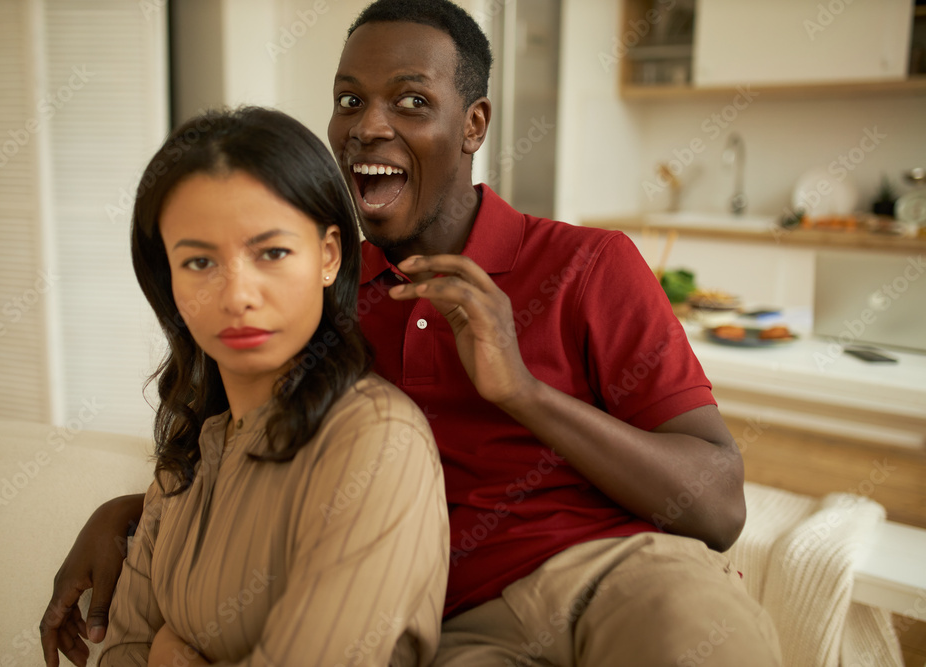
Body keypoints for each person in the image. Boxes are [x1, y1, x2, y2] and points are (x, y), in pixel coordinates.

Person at [43, 2, 781, 665]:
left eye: (412, 101)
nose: (368, 125)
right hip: (456, 626)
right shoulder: (316, 294)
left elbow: (718, 506)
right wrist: (127, 514)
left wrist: (523, 391)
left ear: (473, 125)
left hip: (624, 576)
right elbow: (243, 460)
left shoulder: (587, 264)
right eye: (349, 100)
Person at [44, 106, 449, 667]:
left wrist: (169, 653)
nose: (237, 295)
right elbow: (123, 653)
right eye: (199, 261)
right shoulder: (186, 457)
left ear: (329, 256)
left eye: (272, 253)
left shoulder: (378, 441)